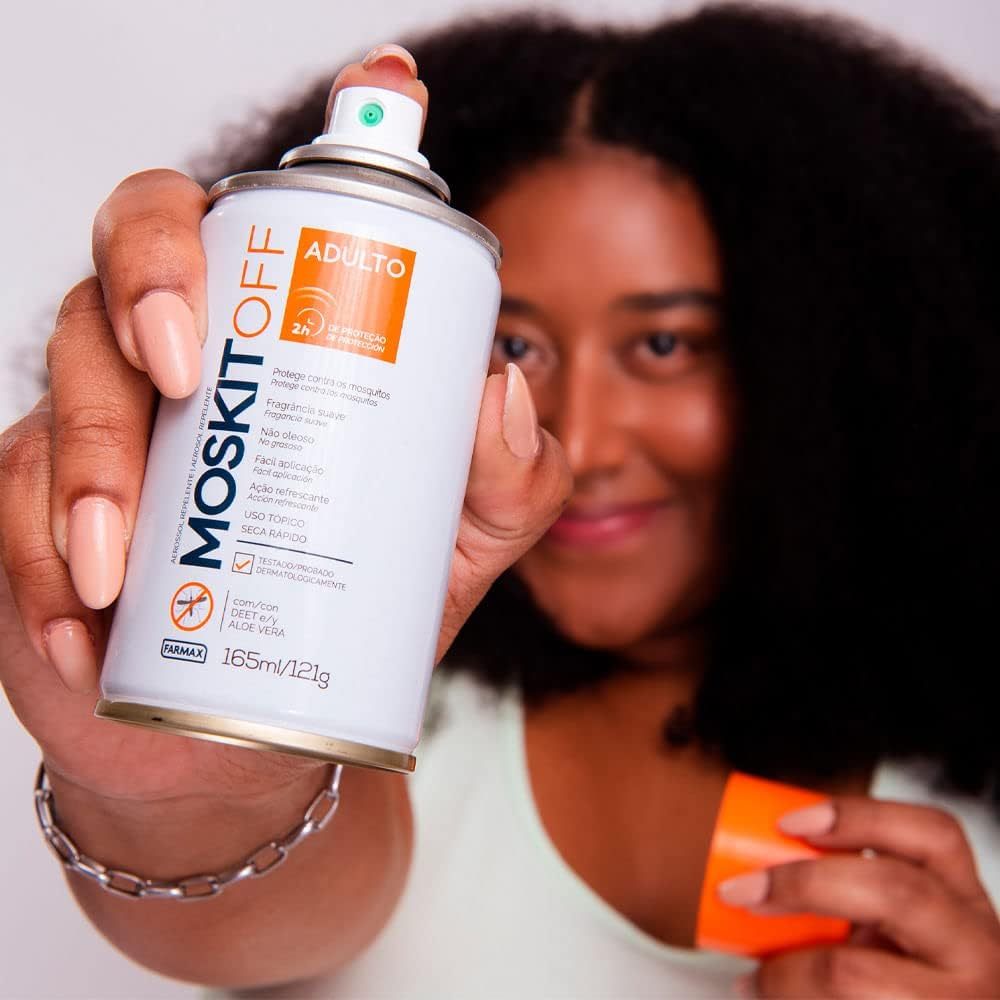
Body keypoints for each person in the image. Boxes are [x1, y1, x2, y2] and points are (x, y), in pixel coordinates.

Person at [2, 5, 999, 998]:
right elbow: (251, 899)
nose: (585, 442)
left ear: (830, 358)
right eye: (515, 346)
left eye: (664, 345)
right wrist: (191, 791)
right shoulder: (362, 694)